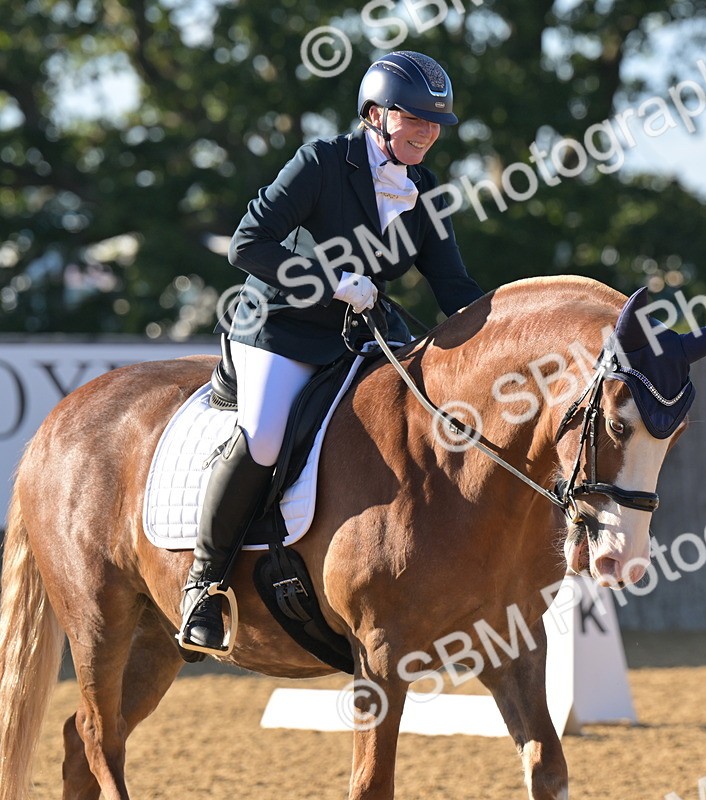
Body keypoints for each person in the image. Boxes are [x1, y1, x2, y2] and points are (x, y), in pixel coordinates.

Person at [179, 51, 485, 652]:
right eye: (414, 119)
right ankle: (204, 583)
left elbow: (456, 290)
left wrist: (515, 327)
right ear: (375, 115)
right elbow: (248, 244)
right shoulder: (320, 163)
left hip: (357, 335)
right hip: (280, 327)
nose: (426, 132)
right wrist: (326, 277)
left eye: (435, 124)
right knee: (265, 435)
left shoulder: (424, 192)